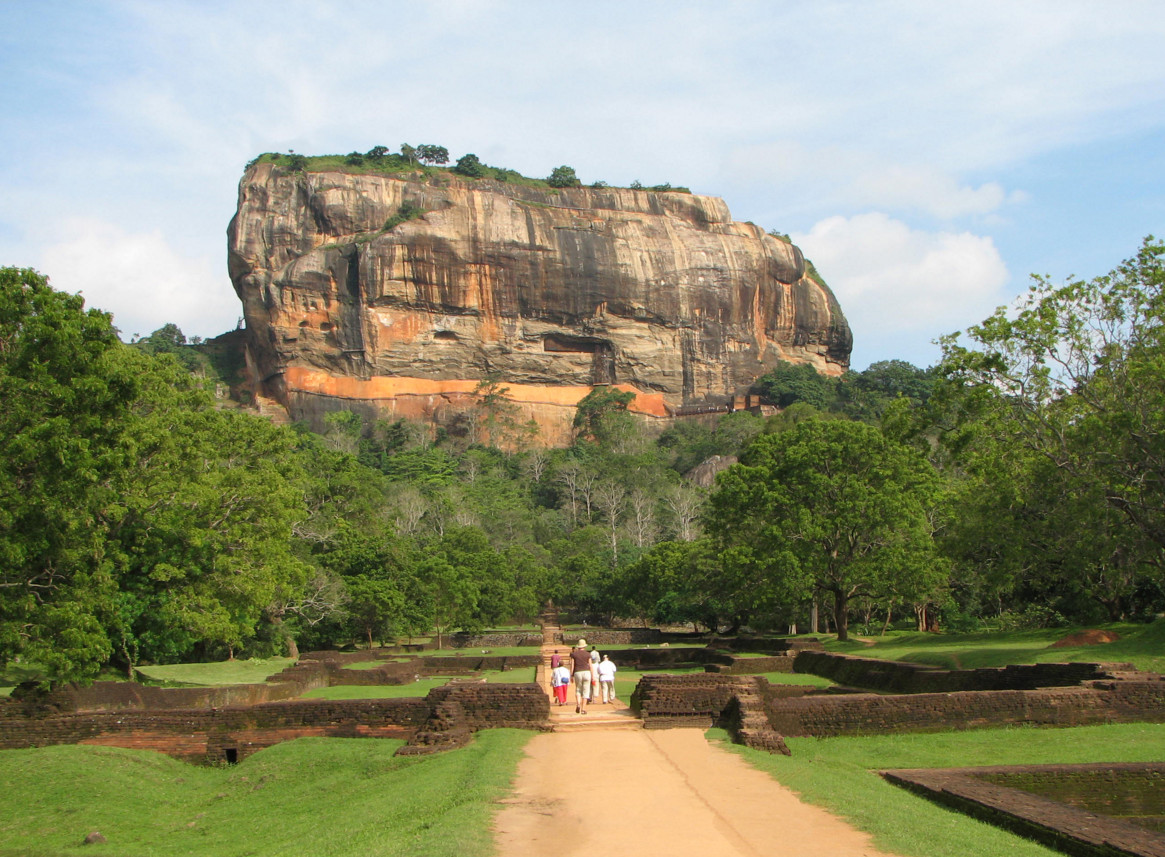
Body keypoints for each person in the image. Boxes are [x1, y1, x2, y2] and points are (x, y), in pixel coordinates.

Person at [569, 638, 592, 714]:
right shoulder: (588, 654)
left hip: (577, 672)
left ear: (578, 646)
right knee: (586, 691)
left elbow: (572, 666)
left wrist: (571, 676)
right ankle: (583, 709)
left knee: (578, 689)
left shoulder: (574, 654)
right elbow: (590, 666)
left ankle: (578, 704)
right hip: (586, 672)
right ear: (584, 646)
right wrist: (593, 676)